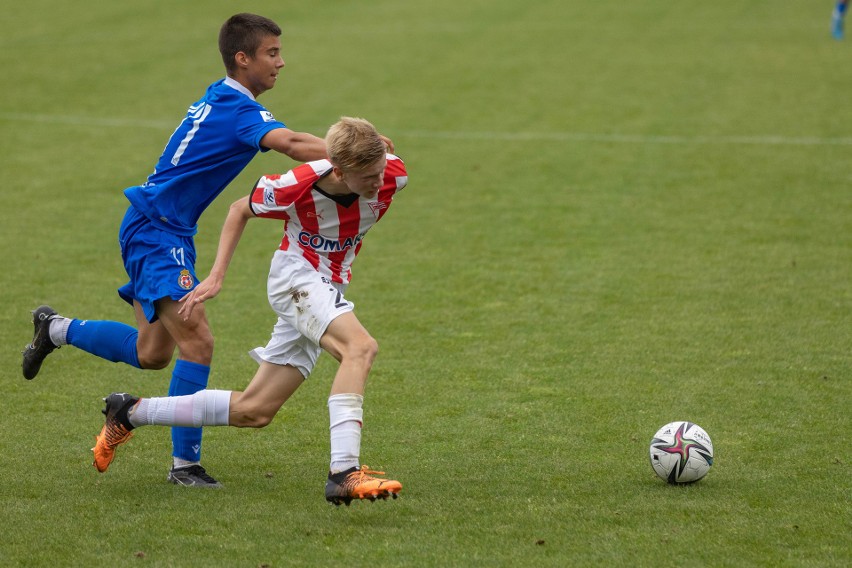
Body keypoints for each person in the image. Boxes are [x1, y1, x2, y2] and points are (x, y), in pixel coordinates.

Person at [21, 14, 336, 488]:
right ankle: (184, 465)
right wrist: (355, 150)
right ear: (242, 58)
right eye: (272, 53)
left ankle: (56, 328)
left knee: (152, 354)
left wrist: (348, 151)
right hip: (156, 232)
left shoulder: (226, 98)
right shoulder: (236, 108)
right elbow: (291, 144)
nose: (281, 62)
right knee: (199, 341)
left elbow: (288, 141)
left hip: (162, 228)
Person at [91, 117, 406, 506]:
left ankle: (130, 411)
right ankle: (343, 472)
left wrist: (378, 148)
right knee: (360, 348)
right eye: (368, 176)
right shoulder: (296, 185)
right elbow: (240, 209)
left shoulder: (392, 171)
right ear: (338, 171)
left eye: (381, 171)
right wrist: (217, 276)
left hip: (329, 284)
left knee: (255, 411)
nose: (380, 182)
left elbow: (382, 154)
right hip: (297, 278)